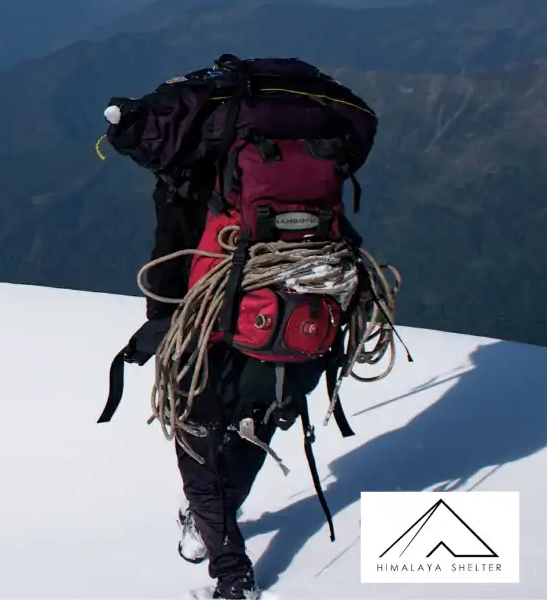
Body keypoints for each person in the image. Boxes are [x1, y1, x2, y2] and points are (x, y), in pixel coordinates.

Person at [98, 54, 403, 598]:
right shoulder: (319, 134)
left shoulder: (198, 144)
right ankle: (217, 522)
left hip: (206, 312)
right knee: (259, 414)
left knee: (195, 427)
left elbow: (167, 236)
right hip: (304, 313)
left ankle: (229, 569)